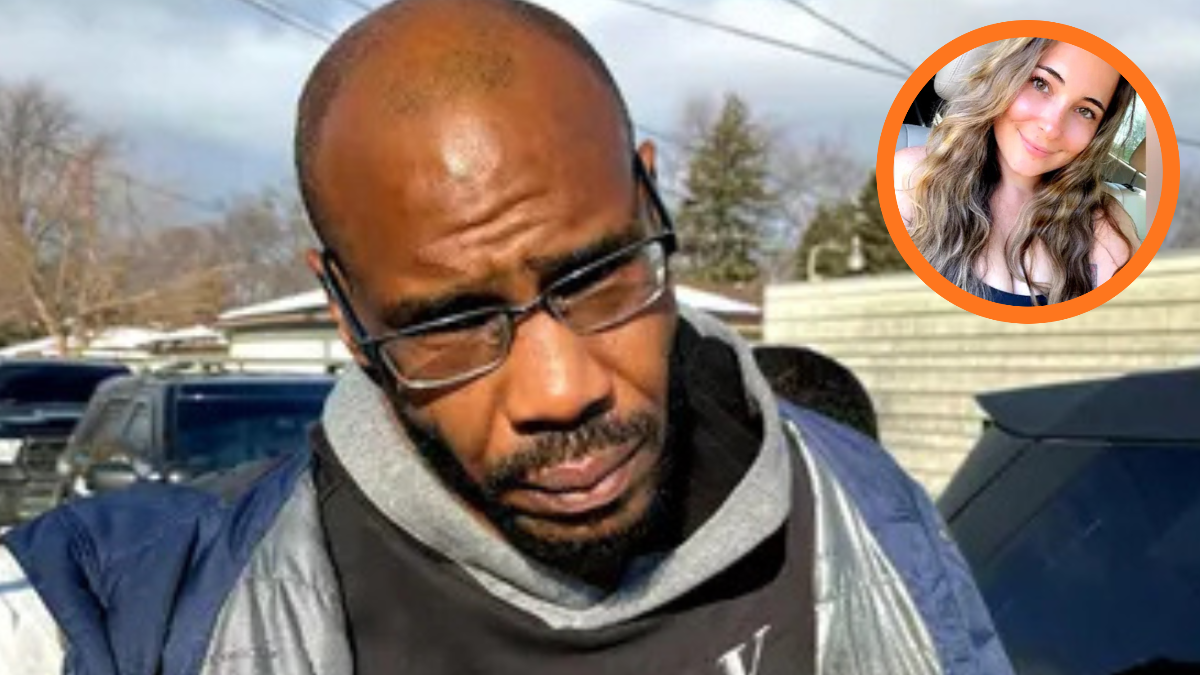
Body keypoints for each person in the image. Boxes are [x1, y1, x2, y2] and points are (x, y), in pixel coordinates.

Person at [0, 1, 1013, 673]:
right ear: (346, 311)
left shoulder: (861, 507)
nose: (560, 388)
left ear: (648, 193)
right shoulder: (147, 603)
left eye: (598, 274)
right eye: (448, 323)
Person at [895, 38, 1141, 306]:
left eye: (1085, 111)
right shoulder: (911, 179)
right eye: (1040, 83)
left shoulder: (1103, 222)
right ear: (1004, 77)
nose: (1052, 128)